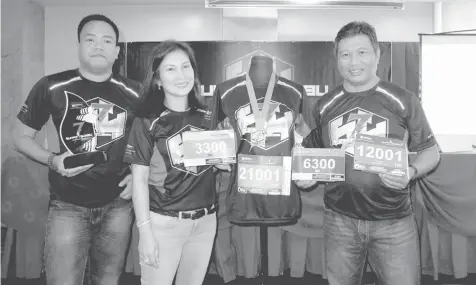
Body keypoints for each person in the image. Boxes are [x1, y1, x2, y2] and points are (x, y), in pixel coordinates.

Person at [295, 21, 440, 285]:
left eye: (362, 52)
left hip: (393, 222)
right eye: (345, 54)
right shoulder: (325, 105)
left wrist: (411, 171)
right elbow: (312, 150)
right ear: (337, 59)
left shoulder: (402, 99)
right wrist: (307, 174)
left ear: (376, 55)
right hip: (339, 220)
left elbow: (430, 151)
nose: (354, 62)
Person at [12, 14, 143, 285]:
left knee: (107, 280)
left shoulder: (136, 92)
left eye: (107, 41)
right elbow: (20, 137)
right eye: (90, 39)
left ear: (117, 51)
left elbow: (146, 142)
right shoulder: (51, 86)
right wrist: (52, 160)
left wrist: (136, 175)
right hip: (66, 205)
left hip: (118, 205)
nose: (98, 46)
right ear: (79, 46)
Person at [123, 40, 218, 285]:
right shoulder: (147, 121)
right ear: (157, 79)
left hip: (205, 222)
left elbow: (207, 163)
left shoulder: (208, 116)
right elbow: (140, 180)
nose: (181, 75)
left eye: (186, 67)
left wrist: (221, 162)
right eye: (171, 69)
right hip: (163, 223)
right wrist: (145, 233)